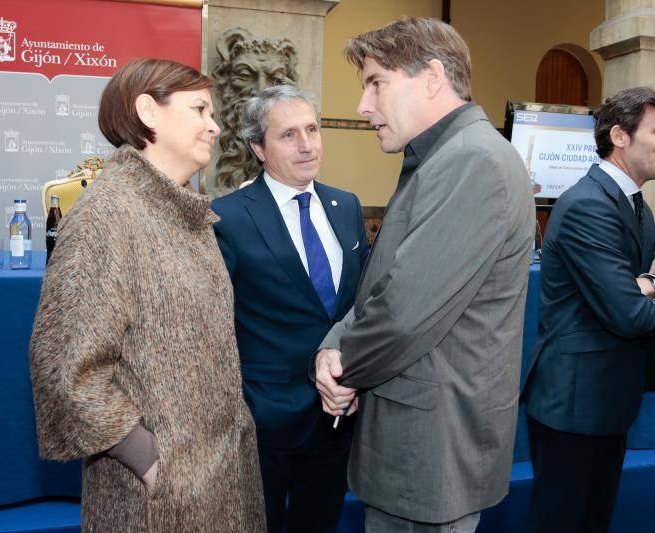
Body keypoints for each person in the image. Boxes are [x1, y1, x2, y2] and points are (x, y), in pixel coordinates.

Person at [313, 18, 534, 532]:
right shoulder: (445, 157)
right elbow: (386, 285)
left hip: (431, 451)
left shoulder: (471, 161)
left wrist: (340, 364)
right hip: (421, 444)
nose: (364, 106)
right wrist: (334, 345)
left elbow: (404, 314)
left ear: (432, 77)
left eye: (376, 83)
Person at [28, 58, 266, 532]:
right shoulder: (106, 217)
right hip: (158, 500)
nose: (215, 127)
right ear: (148, 112)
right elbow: (64, 368)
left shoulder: (182, 211)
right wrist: (151, 462)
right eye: (199, 109)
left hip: (220, 479)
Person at [211, 85, 368, 533]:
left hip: (338, 414)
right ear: (258, 148)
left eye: (313, 130)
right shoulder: (228, 217)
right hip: (264, 422)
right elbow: (213, 325)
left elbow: (359, 303)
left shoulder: (346, 206)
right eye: (289, 135)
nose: (307, 145)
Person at [521, 87, 655, 533]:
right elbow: (631, 315)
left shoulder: (636, 205)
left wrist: (646, 285)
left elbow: (638, 294)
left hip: (608, 400)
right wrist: (645, 287)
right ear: (620, 135)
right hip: (574, 405)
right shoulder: (588, 206)